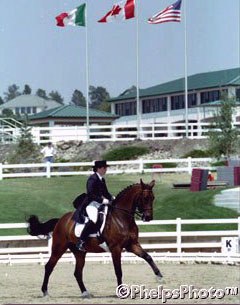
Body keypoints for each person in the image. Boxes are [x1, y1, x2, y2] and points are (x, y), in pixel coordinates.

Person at [76, 160, 114, 251]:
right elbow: (90, 194)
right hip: (91, 204)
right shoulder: (92, 179)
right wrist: (103, 200)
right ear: (99, 168)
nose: (106, 170)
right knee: (94, 219)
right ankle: (81, 241)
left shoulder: (102, 179)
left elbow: (105, 192)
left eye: (106, 168)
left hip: (100, 204)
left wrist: (112, 198)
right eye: (104, 168)